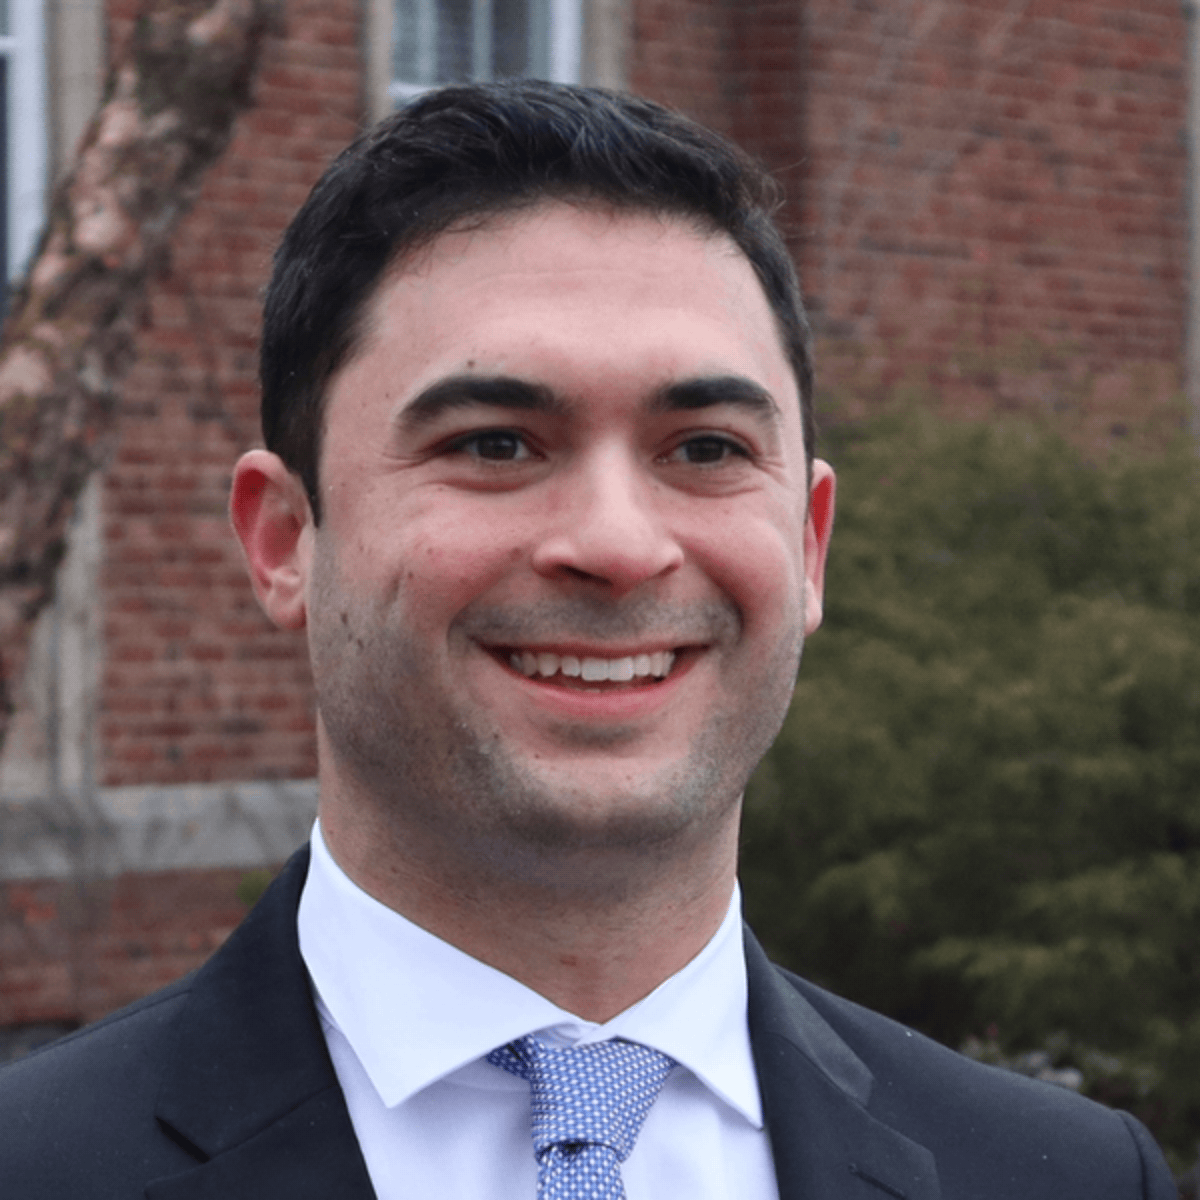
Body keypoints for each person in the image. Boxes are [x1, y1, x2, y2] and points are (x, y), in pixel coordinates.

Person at [0, 81, 1176, 1200]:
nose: (618, 545)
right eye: (495, 443)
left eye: (705, 449)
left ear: (810, 544)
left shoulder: (1067, 1178)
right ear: (284, 539)